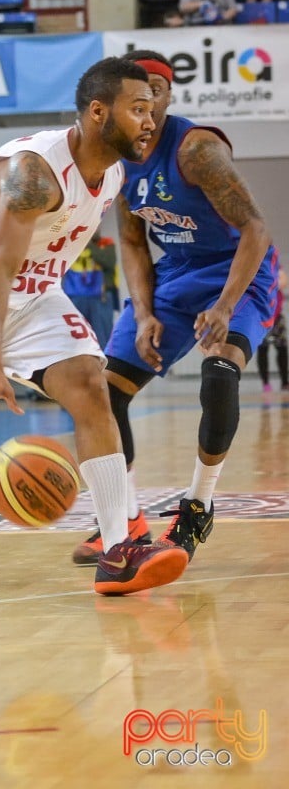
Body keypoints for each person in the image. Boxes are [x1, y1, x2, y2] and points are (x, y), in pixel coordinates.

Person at [0, 56, 189, 596]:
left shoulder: (115, 172)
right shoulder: (33, 173)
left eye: (152, 109)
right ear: (98, 112)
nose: (151, 121)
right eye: (139, 109)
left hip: (31, 301)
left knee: (89, 388)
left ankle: (118, 547)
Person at [72, 50, 278, 567]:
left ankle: (198, 505)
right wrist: (143, 314)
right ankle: (124, 519)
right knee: (106, 390)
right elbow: (135, 244)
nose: (146, 111)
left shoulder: (196, 150)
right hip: (177, 274)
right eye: (136, 100)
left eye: (154, 96)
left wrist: (226, 306)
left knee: (219, 374)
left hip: (238, 269)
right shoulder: (119, 161)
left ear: (166, 96)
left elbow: (257, 229)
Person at [62, 231, 118, 349]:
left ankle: (105, 366)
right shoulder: (70, 244)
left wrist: (87, 243)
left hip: (100, 298)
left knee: (102, 338)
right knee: (74, 338)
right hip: (74, 298)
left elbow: (109, 263)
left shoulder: (106, 243)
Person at [257, 267, 288, 392]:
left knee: (282, 349)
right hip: (262, 317)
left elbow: (283, 282)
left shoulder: (277, 268)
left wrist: (274, 278)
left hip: (277, 318)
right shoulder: (258, 268)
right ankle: (265, 383)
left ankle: (285, 382)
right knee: (263, 350)